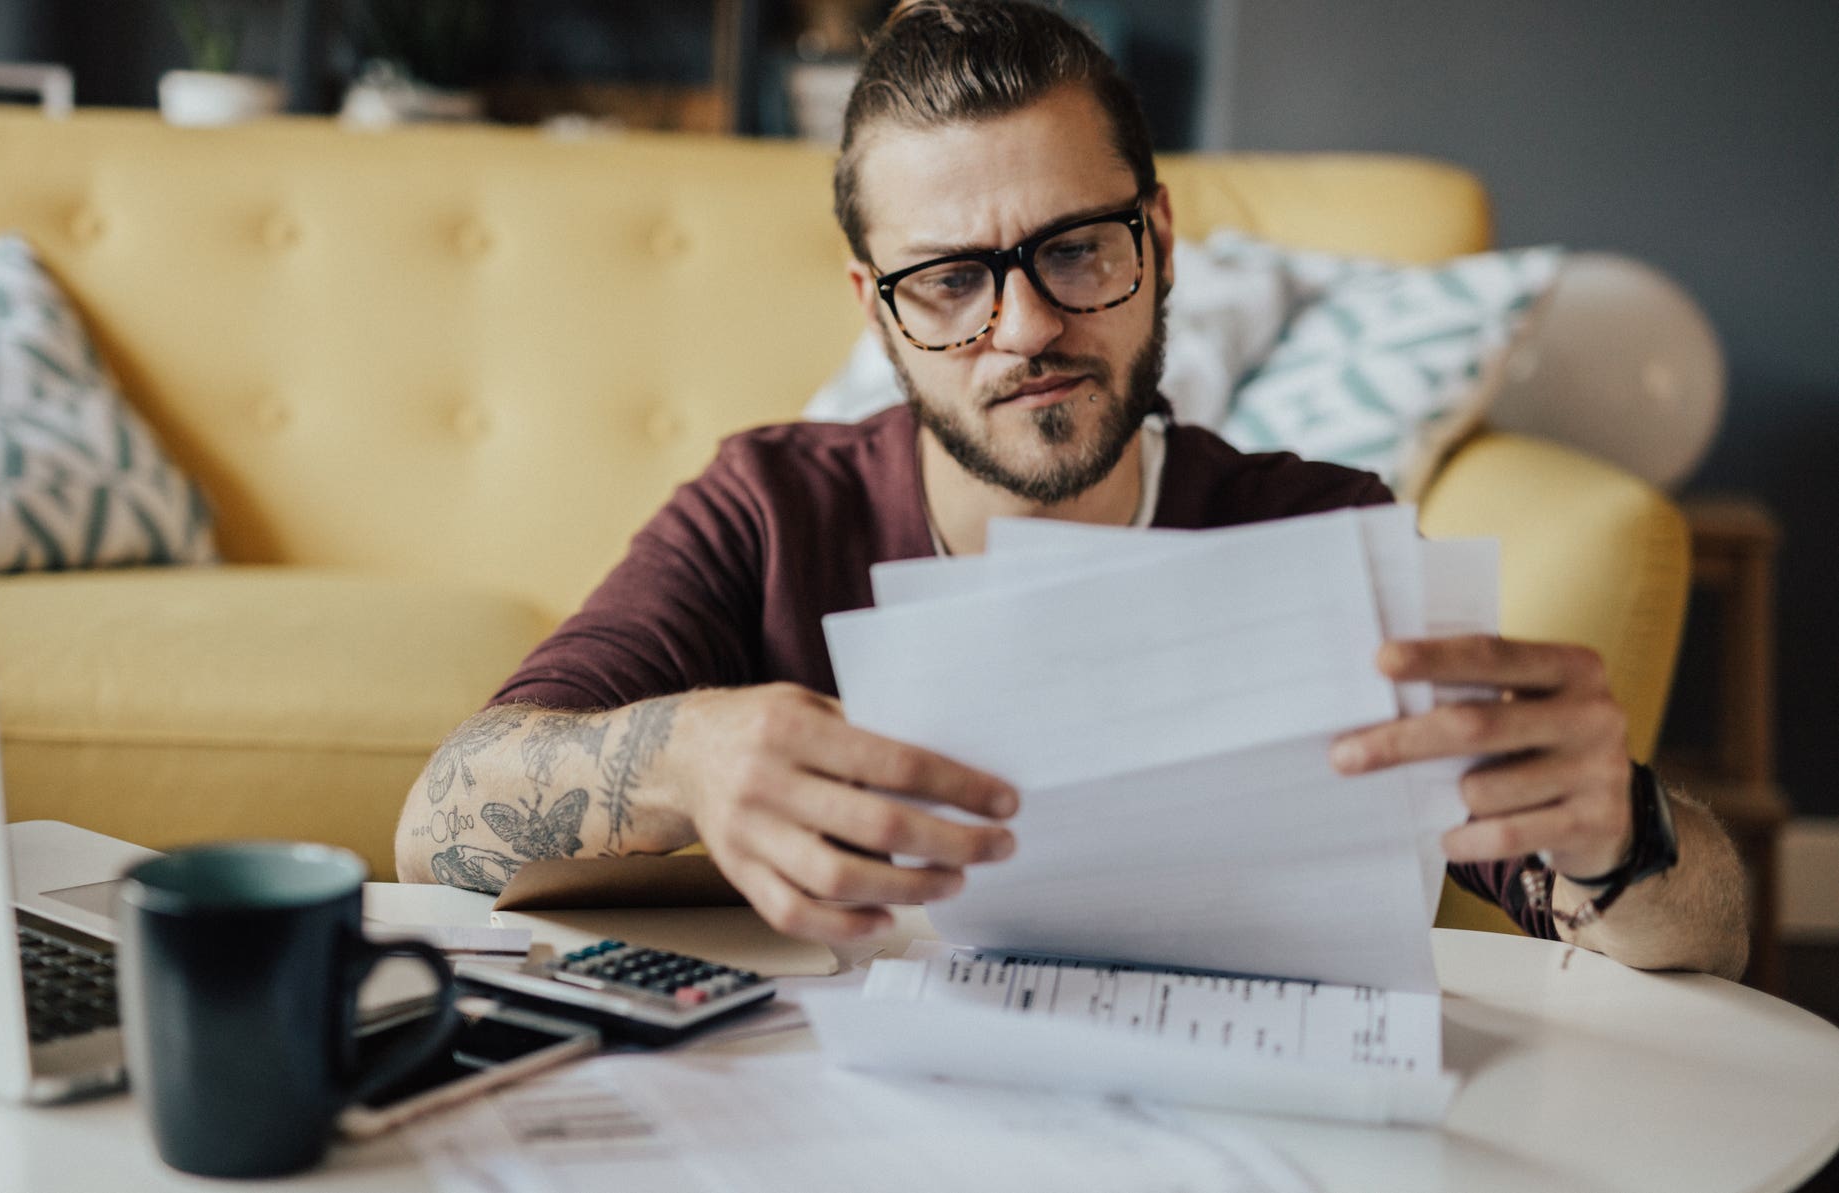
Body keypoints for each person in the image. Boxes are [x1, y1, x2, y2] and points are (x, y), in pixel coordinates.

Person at [394, 0, 1747, 978]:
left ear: (1157, 242)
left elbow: (1702, 936)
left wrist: (1617, 824)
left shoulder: (1310, 532)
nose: (1025, 325)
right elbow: (439, 822)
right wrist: (684, 755)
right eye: (949, 279)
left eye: (1075, 250)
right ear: (876, 309)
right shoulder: (765, 508)